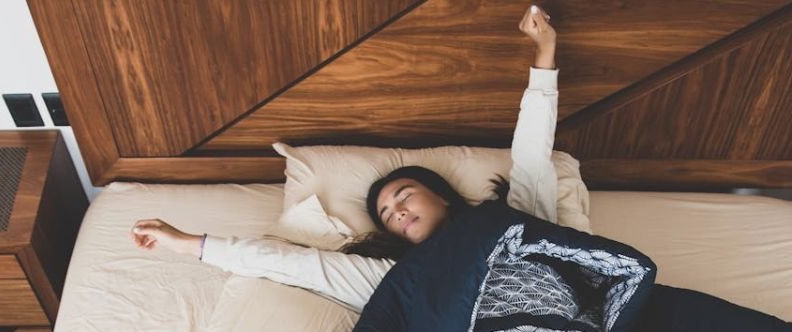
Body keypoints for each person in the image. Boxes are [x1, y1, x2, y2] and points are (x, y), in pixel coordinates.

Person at [132, 5, 560, 312]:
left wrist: (544, 56)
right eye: (388, 214)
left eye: (404, 196)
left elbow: (531, 158)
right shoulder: (396, 277)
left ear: (443, 196)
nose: (398, 212)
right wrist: (188, 244)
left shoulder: (516, 221)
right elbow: (296, 265)